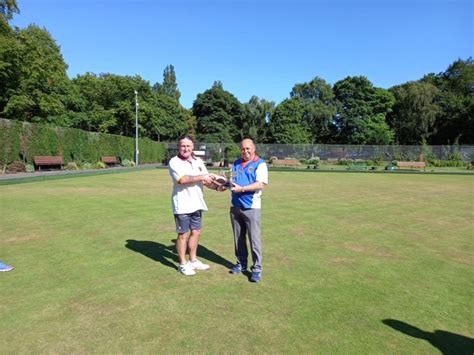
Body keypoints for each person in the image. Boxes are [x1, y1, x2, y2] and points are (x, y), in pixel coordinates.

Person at [168, 135, 221, 276]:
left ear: (193, 147)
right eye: (183, 146)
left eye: (188, 146)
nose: (185, 148)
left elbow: (206, 180)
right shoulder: (174, 161)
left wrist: (217, 187)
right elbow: (182, 179)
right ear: (179, 147)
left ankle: (193, 260)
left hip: (197, 203)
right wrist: (202, 177)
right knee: (183, 235)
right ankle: (182, 264)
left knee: (196, 232)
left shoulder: (198, 161)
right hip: (182, 204)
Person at [229, 138, 268, 283]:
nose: (245, 151)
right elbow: (232, 181)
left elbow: (260, 185)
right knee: (238, 238)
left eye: (248, 148)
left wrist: (242, 189)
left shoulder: (260, 164)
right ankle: (241, 264)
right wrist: (221, 184)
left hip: (252, 207)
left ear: (254, 148)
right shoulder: (237, 163)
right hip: (235, 206)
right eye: (243, 149)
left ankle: (257, 268)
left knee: (254, 240)